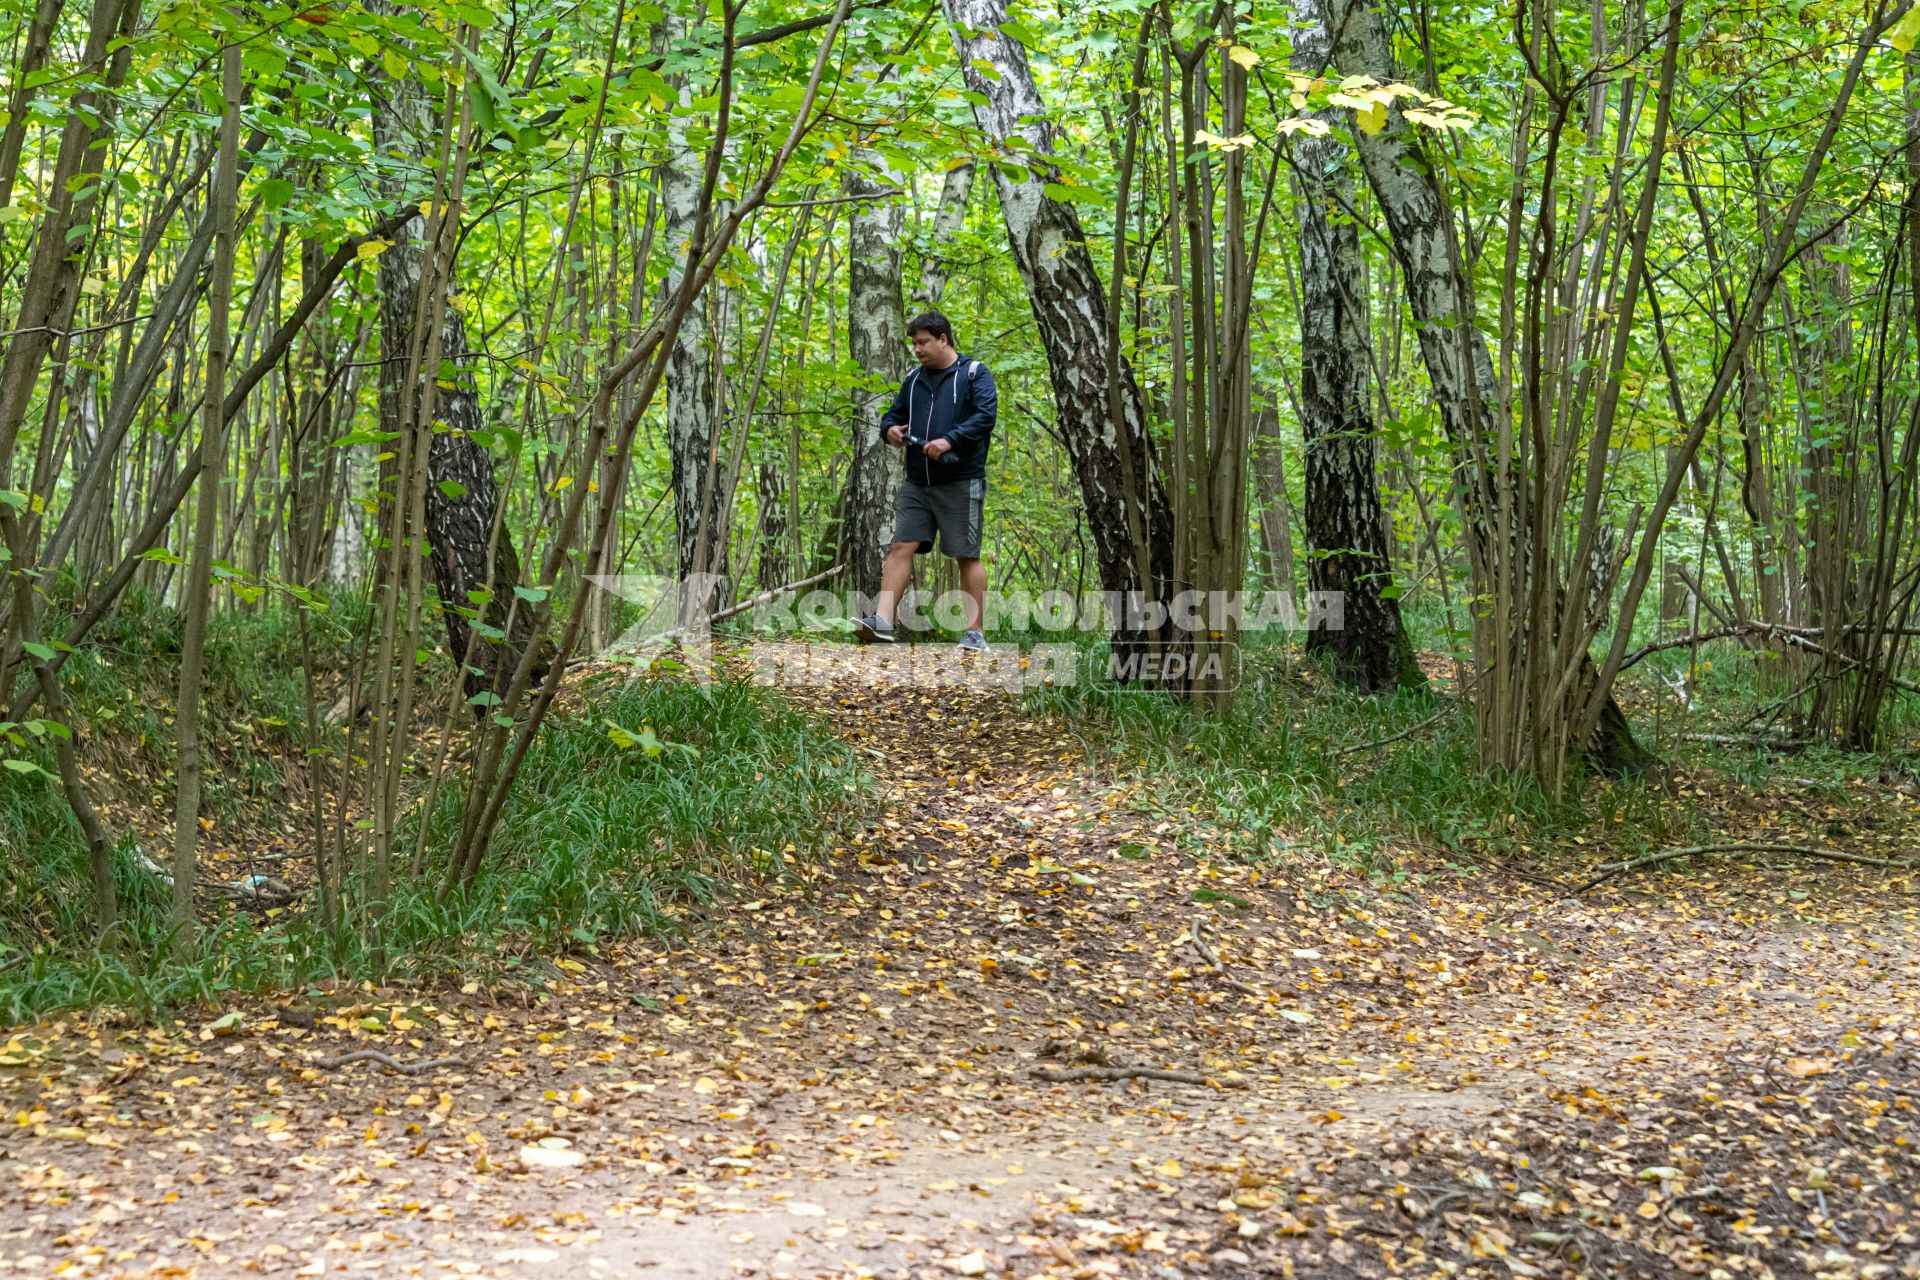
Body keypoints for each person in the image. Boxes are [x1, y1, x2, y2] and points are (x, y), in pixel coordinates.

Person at [853, 311, 997, 651]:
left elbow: (985, 417)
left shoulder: (974, 374)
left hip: (961, 479)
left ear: (943, 339)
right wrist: (889, 430)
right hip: (918, 480)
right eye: (914, 343)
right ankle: (883, 622)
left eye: (923, 342)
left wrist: (950, 440)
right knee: (903, 544)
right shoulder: (914, 380)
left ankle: (974, 632)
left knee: (966, 554)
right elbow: (893, 415)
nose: (917, 349)